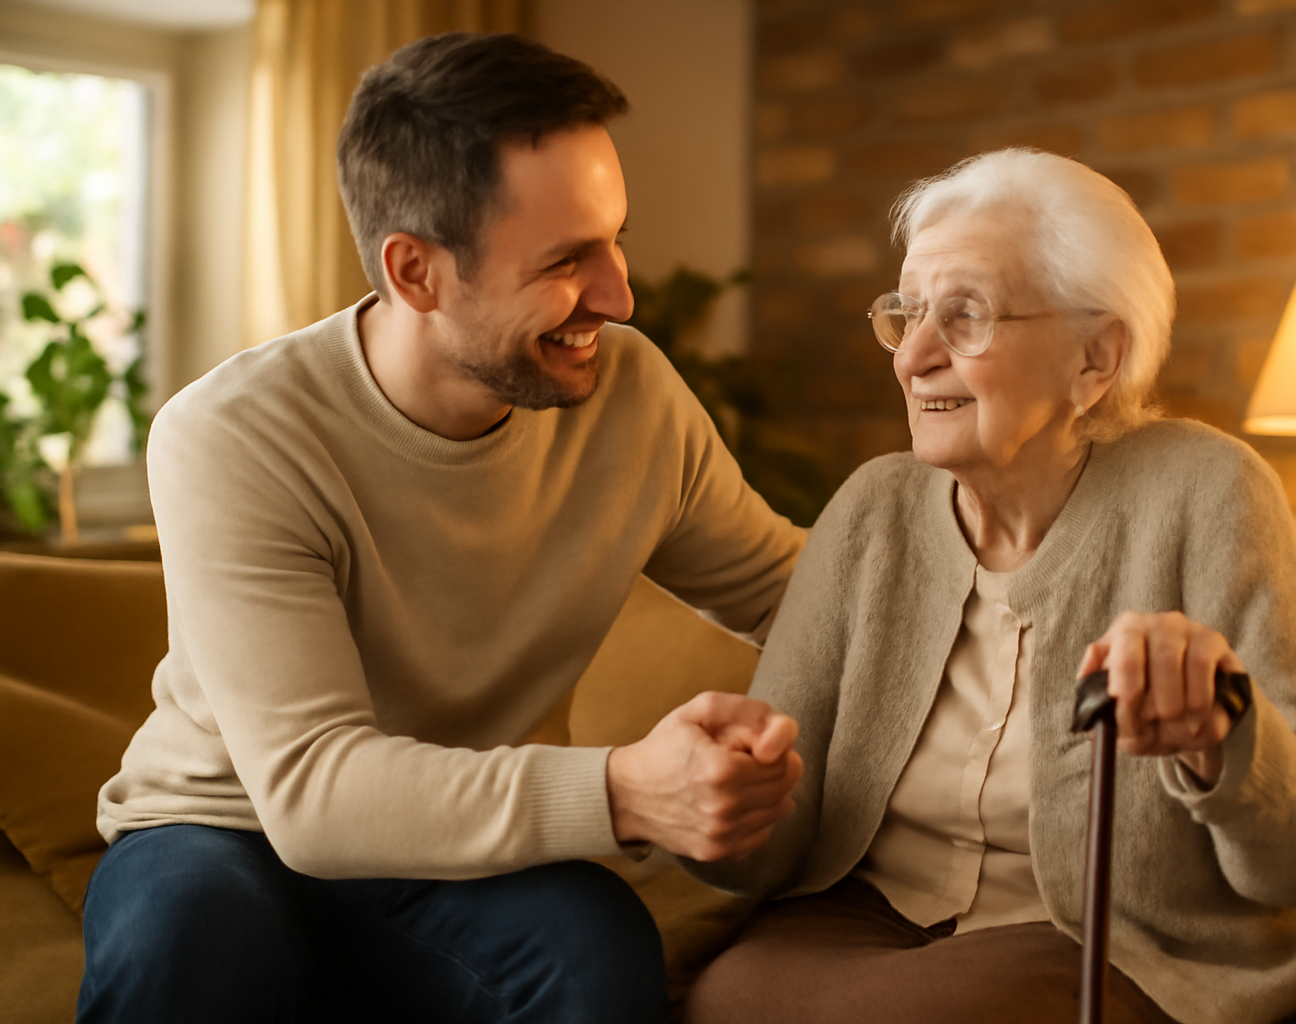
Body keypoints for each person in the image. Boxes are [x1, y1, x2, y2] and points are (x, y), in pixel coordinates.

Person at [78, 33, 805, 1024]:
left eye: (613, 239)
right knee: (189, 948)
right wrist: (630, 790)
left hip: (463, 850)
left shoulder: (631, 399)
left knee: (595, 953)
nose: (619, 295)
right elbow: (313, 789)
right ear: (416, 271)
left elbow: (800, 593)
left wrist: (1029, 587)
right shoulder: (233, 434)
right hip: (223, 826)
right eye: (566, 260)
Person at [683, 149, 1296, 1024]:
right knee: (724, 998)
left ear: (1095, 358)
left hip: (1110, 940)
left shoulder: (1207, 491)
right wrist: (724, 795)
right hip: (868, 924)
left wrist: (1224, 736)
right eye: (905, 315)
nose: (913, 359)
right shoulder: (874, 511)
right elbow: (776, 834)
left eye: (966, 316)